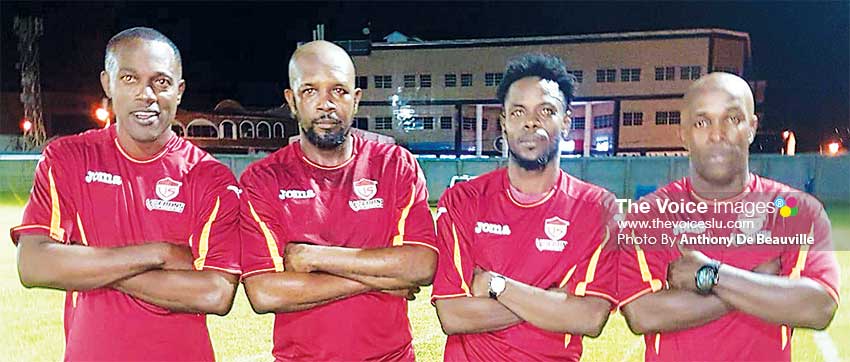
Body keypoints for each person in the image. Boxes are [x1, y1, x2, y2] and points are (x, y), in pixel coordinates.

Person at [11, 27, 241, 361]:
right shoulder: (67, 158)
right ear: (108, 83)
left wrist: (86, 266)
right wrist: (160, 253)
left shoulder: (210, 178)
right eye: (130, 78)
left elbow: (216, 294)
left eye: (161, 82)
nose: (146, 94)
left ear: (179, 91)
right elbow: (33, 266)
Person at [618, 72, 840, 361]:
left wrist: (709, 275)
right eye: (702, 122)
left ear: (751, 127)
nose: (717, 134)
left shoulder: (797, 211)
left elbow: (818, 307)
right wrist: (758, 283)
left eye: (732, 118)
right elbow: (643, 314)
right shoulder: (648, 216)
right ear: (683, 134)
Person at [239, 40, 438, 361]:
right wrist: (376, 280)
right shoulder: (264, 179)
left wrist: (314, 258)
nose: (326, 104)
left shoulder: (395, 165)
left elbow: (422, 264)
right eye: (310, 91)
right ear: (291, 101)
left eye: (339, 91)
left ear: (356, 99)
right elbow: (264, 293)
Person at [431, 53, 618, 361]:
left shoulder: (597, 208)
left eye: (546, 111)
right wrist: (552, 301)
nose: (531, 122)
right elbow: (453, 315)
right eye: (518, 112)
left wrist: (495, 284)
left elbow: (589, 318)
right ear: (504, 122)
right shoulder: (462, 201)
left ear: (567, 122)